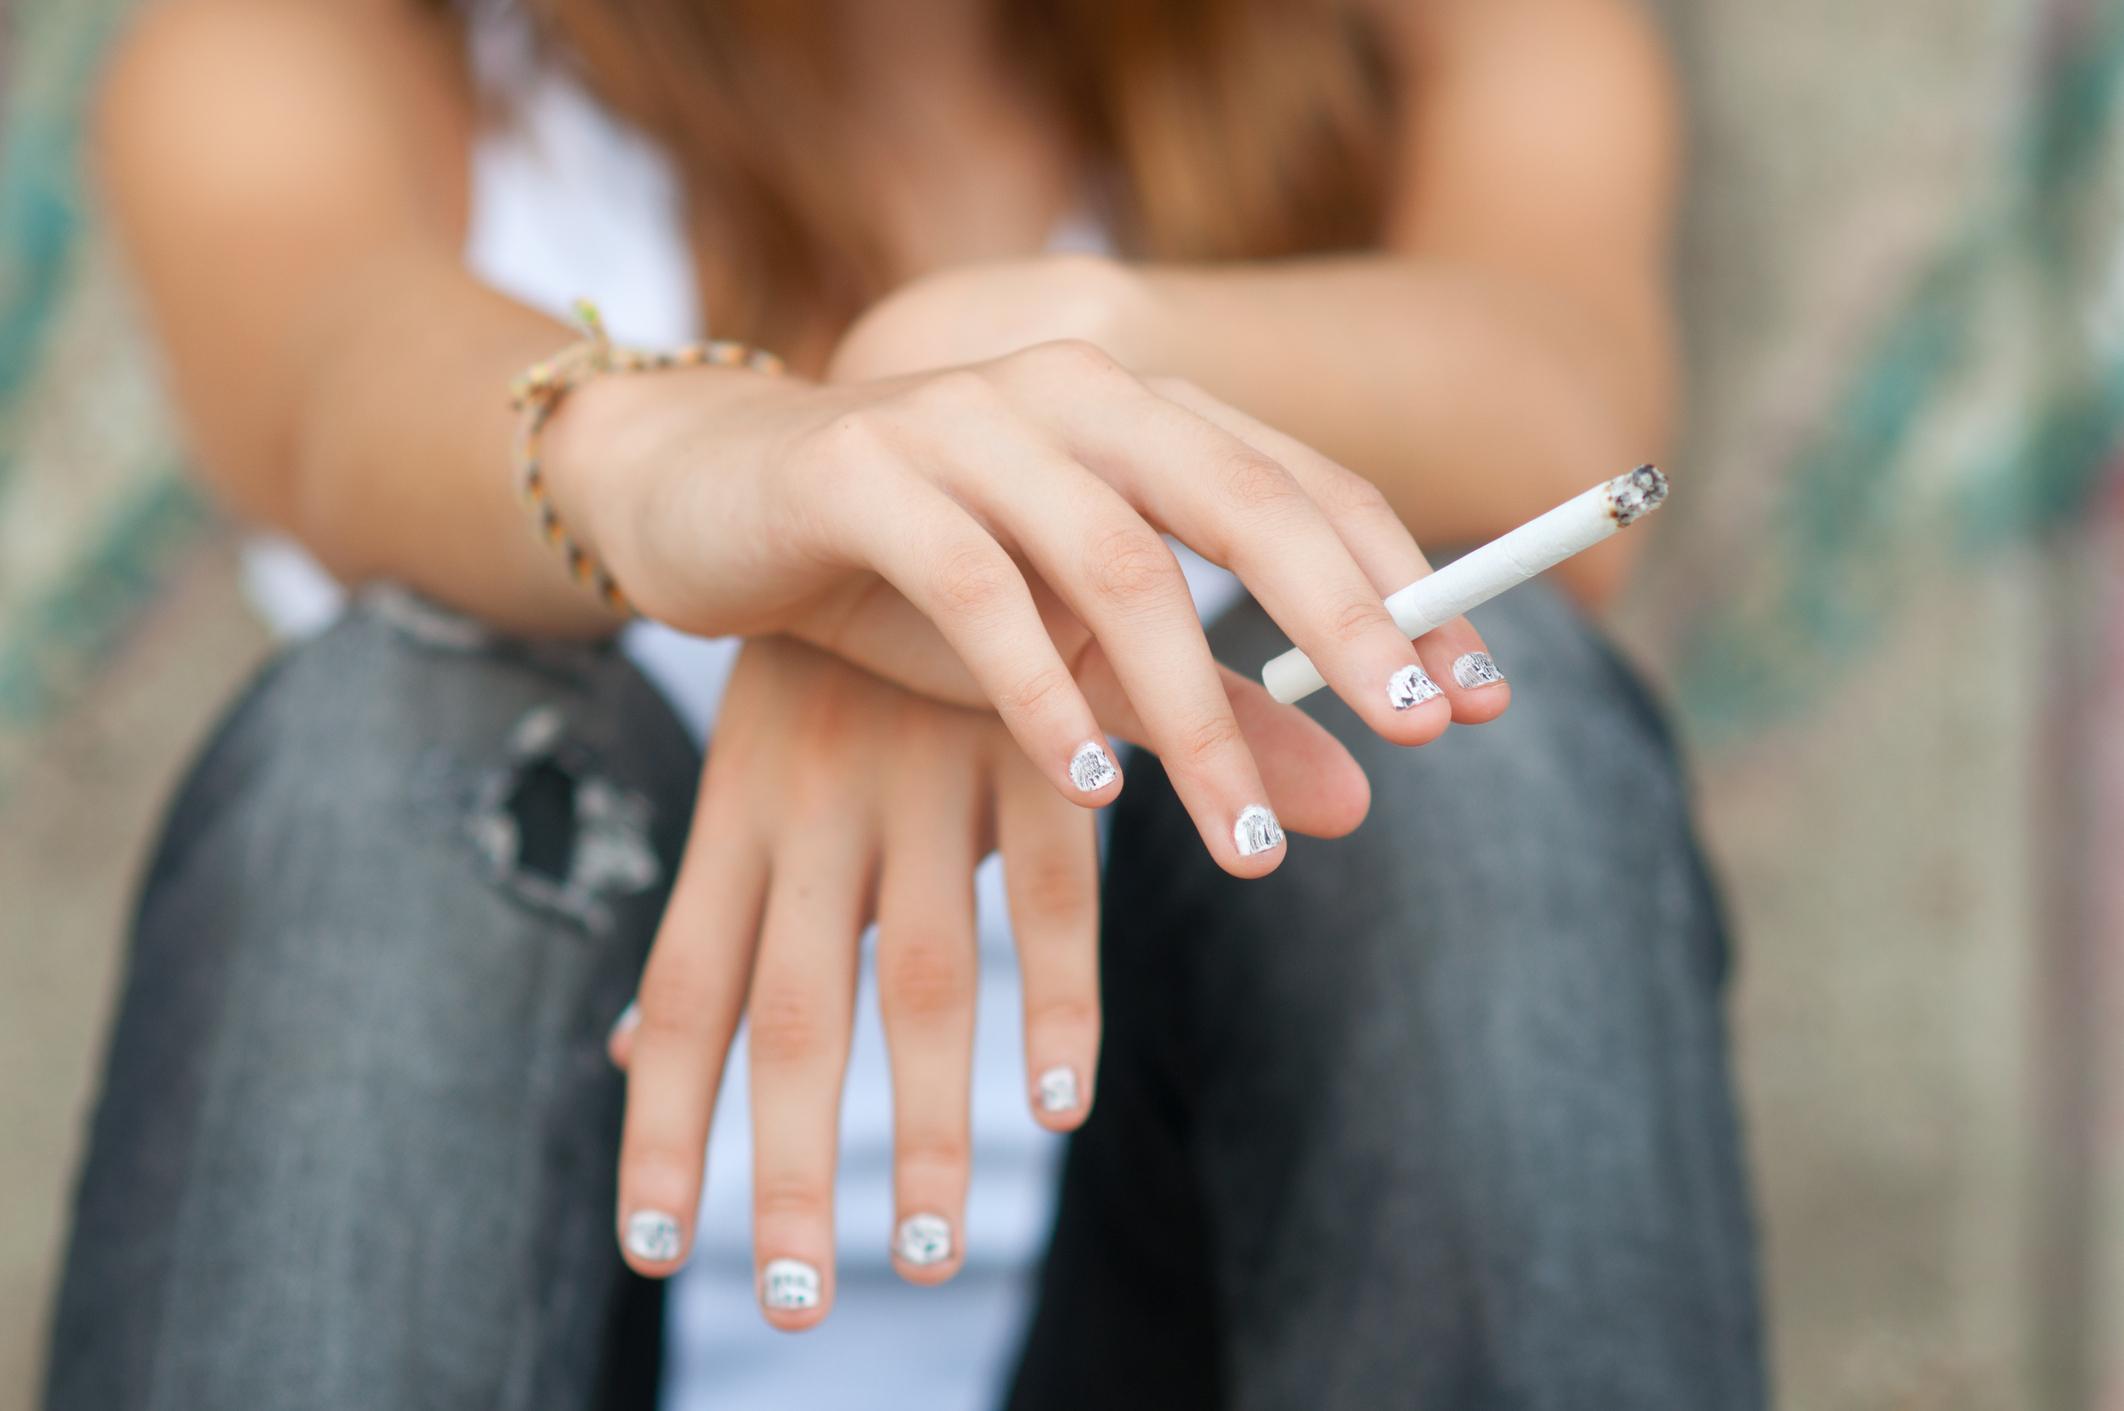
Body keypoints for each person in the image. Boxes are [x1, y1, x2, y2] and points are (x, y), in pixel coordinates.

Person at [46, 0, 1763, 1406]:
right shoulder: (317, 51)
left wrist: (999, 358)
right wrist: (725, 483)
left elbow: (1572, 407)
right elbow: (332, 385)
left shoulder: (1428, 36)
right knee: (393, 740)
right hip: (518, 1330)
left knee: (1478, 707)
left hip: (1189, 1335)